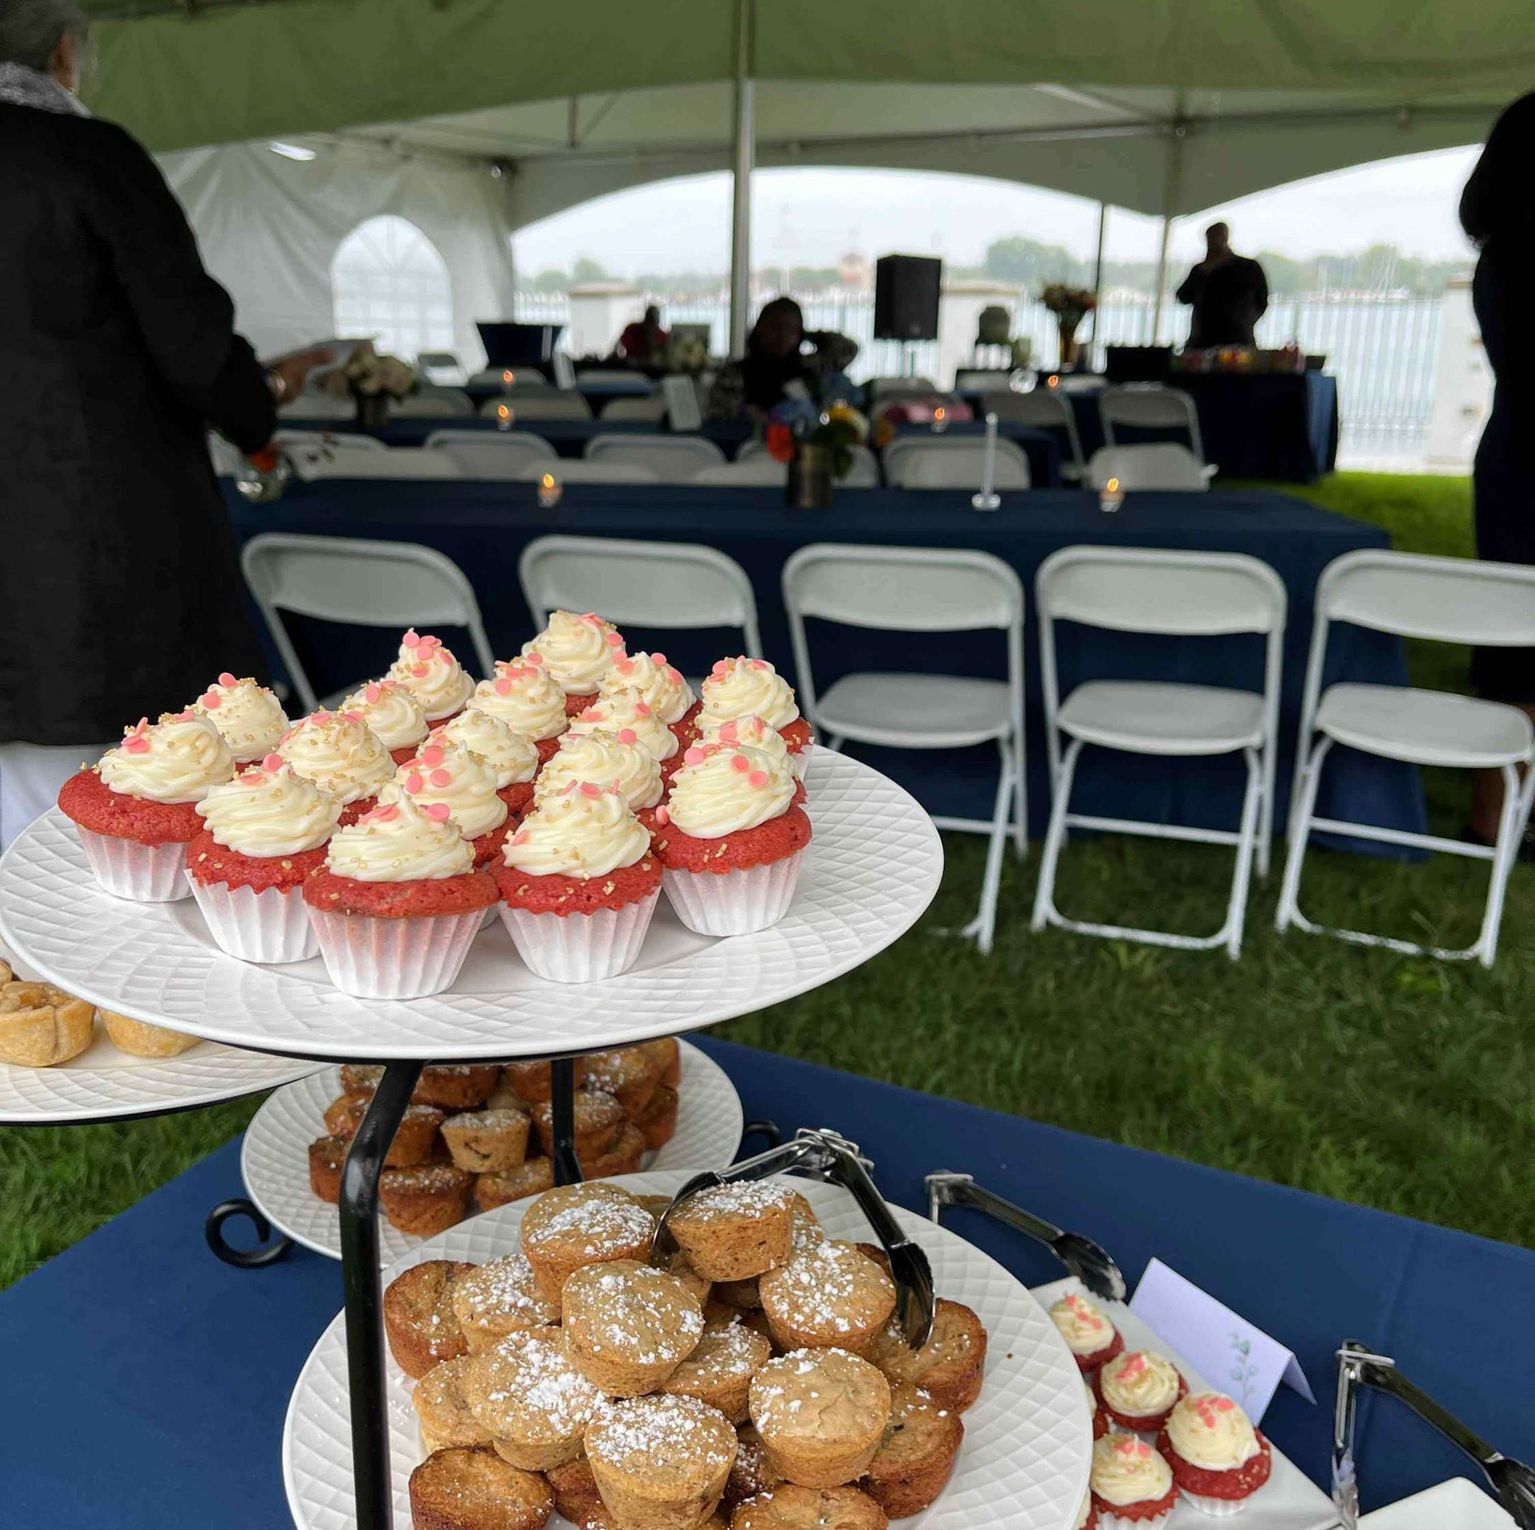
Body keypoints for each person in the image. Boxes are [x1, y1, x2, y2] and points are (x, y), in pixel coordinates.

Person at [0, 1, 320, 850]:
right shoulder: (83, 159)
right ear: (65, 54)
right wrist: (254, 409)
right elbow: (193, 346)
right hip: (87, 567)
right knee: (109, 832)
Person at [1460, 92, 1535, 847]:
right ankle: (1496, 813)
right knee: (1519, 640)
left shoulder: (1497, 255)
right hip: (1524, 456)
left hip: (1512, 452)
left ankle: (1497, 812)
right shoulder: (1517, 259)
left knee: (1513, 634)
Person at [706, 296, 858, 420]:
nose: (782, 336)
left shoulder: (808, 366)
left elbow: (848, 349)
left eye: (791, 330)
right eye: (775, 327)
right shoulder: (735, 374)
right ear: (760, 329)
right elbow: (719, 419)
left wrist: (810, 336)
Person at [1175, 223, 1269, 348]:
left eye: (1216, 238)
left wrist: (1245, 321)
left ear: (1225, 238)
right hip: (1204, 339)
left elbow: (1261, 299)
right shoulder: (1200, 270)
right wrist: (1204, 272)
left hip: (1237, 338)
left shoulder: (1247, 268)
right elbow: (1183, 297)